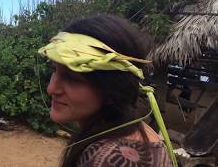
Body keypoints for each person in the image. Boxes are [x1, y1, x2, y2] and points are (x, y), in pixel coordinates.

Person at [38, 15, 177, 167]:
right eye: (54, 70)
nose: (51, 89)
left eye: (71, 78)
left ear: (112, 88)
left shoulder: (110, 160)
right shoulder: (138, 130)